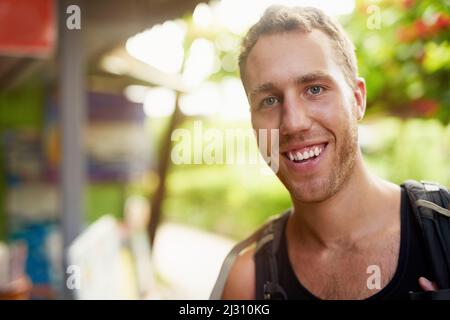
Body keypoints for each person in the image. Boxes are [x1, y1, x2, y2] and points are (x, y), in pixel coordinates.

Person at [213, 5, 449, 300]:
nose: (294, 123)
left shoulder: (443, 232)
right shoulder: (247, 282)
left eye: (314, 89)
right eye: (269, 100)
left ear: (357, 99)